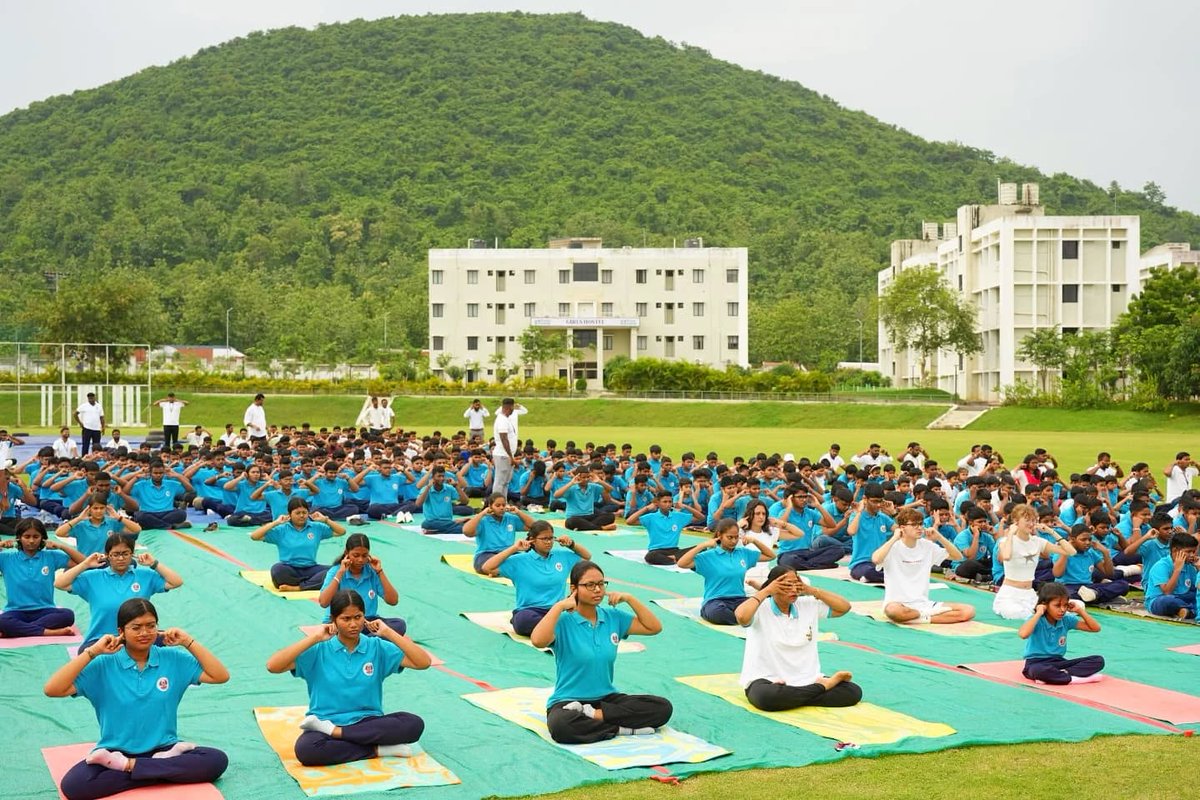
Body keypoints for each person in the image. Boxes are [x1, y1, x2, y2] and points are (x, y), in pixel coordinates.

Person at [43, 598, 229, 800]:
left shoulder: (173, 659)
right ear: (121, 631)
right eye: (136, 627)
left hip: (164, 748)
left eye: (151, 626)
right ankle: (160, 770)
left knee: (216, 760)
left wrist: (188, 642)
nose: (145, 633)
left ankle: (131, 768)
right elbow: (52, 689)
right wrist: (92, 652)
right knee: (75, 786)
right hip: (115, 753)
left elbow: (220, 676)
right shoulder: (104, 665)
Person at [265, 590, 432, 766]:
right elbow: (273, 666)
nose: (353, 624)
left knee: (413, 724)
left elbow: (423, 662)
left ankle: (339, 734)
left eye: (358, 617)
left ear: (364, 617)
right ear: (334, 619)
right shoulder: (319, 650)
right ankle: (375, 749)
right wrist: (314, 638)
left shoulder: (376, 647)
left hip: (366, 721)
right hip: (326, 721)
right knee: (306, 749)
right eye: (346, 619)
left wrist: (389, 633)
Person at [531, 561, 671, 744]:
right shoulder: (564, 621)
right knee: (561, 726)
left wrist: (629, 598)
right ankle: (621, 729)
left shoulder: (613, 617)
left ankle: (594, 716)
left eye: (601, 584)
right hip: (569, 701)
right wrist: (558, 607)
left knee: (662, 708)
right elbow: (537, 640)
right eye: (590, 585)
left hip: (606, 699)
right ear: (574, 588)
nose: (597, 589)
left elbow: (654, 627)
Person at [734, 564, 862, 710]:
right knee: (766, 697)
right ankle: (822, 687)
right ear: (774, 586)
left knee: (852, 691)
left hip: (807, 679)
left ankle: (804, 693)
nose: (794, 589)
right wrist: (767, 590)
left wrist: (810, 590)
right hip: (768, 681)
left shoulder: (807, 604)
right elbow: (741, 616)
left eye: (797, 584)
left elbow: (844, 607)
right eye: (787, 585)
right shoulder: (760, 608)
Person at [56, 534, 184, 651]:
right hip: (102, 639)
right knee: (88, 656)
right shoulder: (92, 577)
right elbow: (59, 583)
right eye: (115, 554)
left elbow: (176, 581)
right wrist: (85, 564)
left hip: (139, 637)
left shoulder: (145, 575)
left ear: (132, 554)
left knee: (171, 643)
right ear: (107, 555)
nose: (121, 558)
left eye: (125, 553)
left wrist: (154, 563)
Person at [482, 520, 591, 635]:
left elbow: (586, 557)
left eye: (551, 538)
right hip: (531, 611)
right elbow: (487, 567)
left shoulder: (561, 556)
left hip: (558, 610)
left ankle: (555, 630)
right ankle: (561, 630)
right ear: (533, 540)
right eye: (544, 539)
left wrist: (571, 544)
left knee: (588, 612)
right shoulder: (520, 561)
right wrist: (514, 548)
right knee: (524, 621)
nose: (549, 542)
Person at [872, 507, 976, 624]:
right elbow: (875, 559)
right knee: (892, 611)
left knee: (968, 611)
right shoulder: (893, 546)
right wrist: (895, 537)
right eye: (914, 525)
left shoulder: (927, 546)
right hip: (898, 604)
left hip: (923, 604)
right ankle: (923, 616)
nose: (919, 528)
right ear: (902, 528)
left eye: (921, 524)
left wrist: (939, 537)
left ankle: (920, 619)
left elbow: (958, 556)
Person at [677, 518, 775, 624]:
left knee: (763, 607)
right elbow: (681, 563)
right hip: (715, 601)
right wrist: (702, 545)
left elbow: (771, 556)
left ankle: (743, 617)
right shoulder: (709, 556)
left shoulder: (743, 553)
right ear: (720, 535)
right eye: (730, 537)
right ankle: (744, 618)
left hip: (739, 600)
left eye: (736, 537)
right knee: (717, 613)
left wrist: (755, 541)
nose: (734, 541)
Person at [0, 518, 84, 638]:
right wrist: (0, 544)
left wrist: (61, 546)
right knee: (2, 621)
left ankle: (15, 630)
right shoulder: (6, 558)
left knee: (68, 615)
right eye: (26, 536)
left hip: (45, 610)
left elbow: (83, 562)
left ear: (43, 538)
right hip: (16, 611)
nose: (31, 541)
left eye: (36, 536)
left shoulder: (51, 556)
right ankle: (48, 632)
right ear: (18, 538)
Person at [993, 504, 1076, 620]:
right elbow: (1006, 556)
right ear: (1016, 521)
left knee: (1075, 607)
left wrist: (1051, 531)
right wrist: (1011, 533)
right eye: (1027, 520)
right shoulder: (1005, 541)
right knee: (1018, 614)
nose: (1031, 524)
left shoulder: (1038, 541)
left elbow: (1071, 551)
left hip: (1029, 594)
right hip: (1009, 594)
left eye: (1033, 520)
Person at [250, 497, 346, 591]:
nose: (301, 516)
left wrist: (325, 520)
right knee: (277, 569)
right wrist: (275, 523)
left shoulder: (316, 527)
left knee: (336, 570)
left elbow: (341, 532)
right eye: (297, 513)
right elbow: (254, 536)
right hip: (289, 569)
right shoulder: (282, 530)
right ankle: (312, 583)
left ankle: (298, 587)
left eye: (304, 512)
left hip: (311, 568)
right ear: (290, 514)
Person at [318, 534, 407, 634]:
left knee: (399, 625)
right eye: (356, 555)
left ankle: (363, 641)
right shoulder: (336, 571)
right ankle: (368, 641)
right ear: (347, 553)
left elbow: (393, 601)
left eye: (364, 555)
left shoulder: (372, 571)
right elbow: (323, 602)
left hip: (367, 622)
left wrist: (380, 571)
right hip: (342, 622)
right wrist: (339, 574)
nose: (360, 560)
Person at [1017, 582, 1104, 685]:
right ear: (1044, 605)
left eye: (1065, 605)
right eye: (1057, 606)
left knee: (1098, 660)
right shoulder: (1037, 619)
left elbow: (1095, 628)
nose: (1062, 610)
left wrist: (1080, 611)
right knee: (1039, 671)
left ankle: (1062, 675)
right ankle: (1074, 679)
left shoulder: (1066, 620)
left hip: (1059, 662)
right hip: (1036, 663)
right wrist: (1038, 613)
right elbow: (1023, 634)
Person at [463, 493, 535, 574]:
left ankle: (500, 570)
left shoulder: (510, 518)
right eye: (497, 505)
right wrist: (482, 514)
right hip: (487, 554)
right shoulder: (483, 520)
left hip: (509, 553)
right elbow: (466, 531)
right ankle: (506, 569)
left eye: (503, 505)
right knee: (488, 564)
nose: (501, 508)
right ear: (490, 506)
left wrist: (518, 512)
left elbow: (533, 526)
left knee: (530, 560)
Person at [56, 493, 142, 555]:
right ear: (89, 509)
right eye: (95, 508)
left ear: (106, 508)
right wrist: (78, 518)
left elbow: (137, 529)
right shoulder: (81, 525)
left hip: (106, 562)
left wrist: (118, 517)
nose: (99, 511)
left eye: (102, 508)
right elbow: (59, 533)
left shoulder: (112, 522)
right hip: (85, 562)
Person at [626, 489, 695, 563]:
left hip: (674, 550)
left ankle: (673, 558)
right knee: (650, 556)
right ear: (658, 503)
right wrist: (646, 508)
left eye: (670, 502)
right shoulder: (651, 517)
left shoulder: (677, 516)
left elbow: (701, 518)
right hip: (657, 551)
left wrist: (685, 506)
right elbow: (629, 521)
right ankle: (675, 559)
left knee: (700, 548)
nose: (668, 504)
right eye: (665, 502)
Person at [1142, 532, 1198, 619]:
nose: (1192, 555)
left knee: (1195, 595)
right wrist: (1177, 570)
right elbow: (1167, 592)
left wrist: (1199, 570)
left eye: (1194, 552)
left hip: (1182, 597)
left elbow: (1196, 588)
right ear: (1175, 550)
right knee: (1167, 601)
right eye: (1188, 552)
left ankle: (1185, 610)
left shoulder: (1189, 565)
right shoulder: (1161, 565)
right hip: (1159, 599)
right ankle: (1192, 610)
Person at [491, 398, 519, 499]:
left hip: (506, 455)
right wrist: (511, 456)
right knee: (500, 481)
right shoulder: (502, 420)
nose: (513, 410)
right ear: (509, 407)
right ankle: (495, 504)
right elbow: (504, 439)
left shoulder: (505, 419)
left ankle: (503, 503)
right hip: (503, 455)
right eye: (512, 408)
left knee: (506, 482)